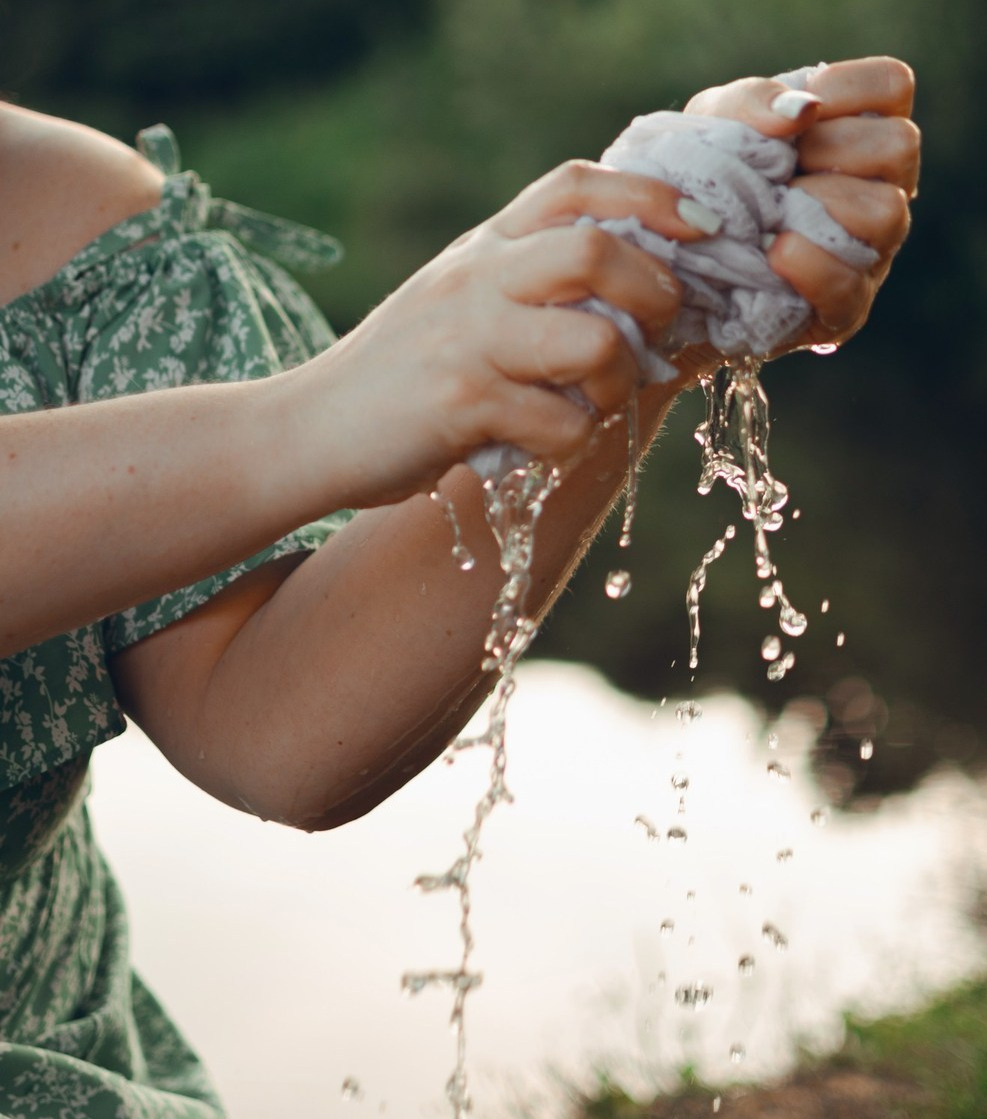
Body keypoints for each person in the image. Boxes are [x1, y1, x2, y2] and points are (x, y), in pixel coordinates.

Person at [0, 58, 919, 1115]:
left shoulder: (78, 223)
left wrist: (641, 302)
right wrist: (307, 422)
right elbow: (309, 427)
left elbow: (268, 728)